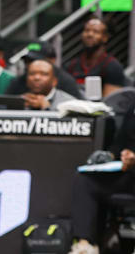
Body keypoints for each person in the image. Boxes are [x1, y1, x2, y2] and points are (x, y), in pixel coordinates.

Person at [68, 99, 135, 254]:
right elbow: (120, 141)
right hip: (128, 170)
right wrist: (110, 155)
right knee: (85, 179)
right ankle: (85, 245)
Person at [64, 17, 126, 98]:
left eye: (96, 32)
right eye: (87, 30)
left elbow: (111, 103)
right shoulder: (71, 65)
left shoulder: (113, 66)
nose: (90, 34)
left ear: (105, 37)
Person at [5, 41, 84, 99]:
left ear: (52, 60)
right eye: (27, 61)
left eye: (35, 60)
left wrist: (49, 109)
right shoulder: (18, 82)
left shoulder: (66, 82)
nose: (30, 65)